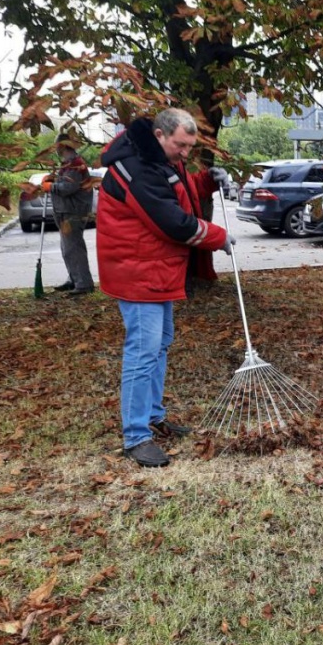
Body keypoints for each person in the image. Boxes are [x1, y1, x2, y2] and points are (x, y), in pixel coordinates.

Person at [96, 108, 234, 467]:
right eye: (181, 145)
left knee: (160, 344)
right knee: (143, 351)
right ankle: (136, 436)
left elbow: (180, 193)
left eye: (190, 147)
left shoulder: (158, 159)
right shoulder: (137, 168)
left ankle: (154, 417)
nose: (185, 153)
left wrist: (207, 181)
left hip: (156, 271)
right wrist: (219, 238)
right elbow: (173, 222)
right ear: (160, 135)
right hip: (137, 272)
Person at [43, 133, 94, 294]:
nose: (56, 150)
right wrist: (53, 179)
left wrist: (50, 187)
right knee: (67, 248)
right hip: (65, 210)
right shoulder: (67, 164)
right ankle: (74, 279)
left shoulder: (76, 164)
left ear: (63, 146)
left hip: (73, 211)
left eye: (57, 146)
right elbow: (64, 183)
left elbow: (68, 188)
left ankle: (83, 284)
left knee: (74, 248)